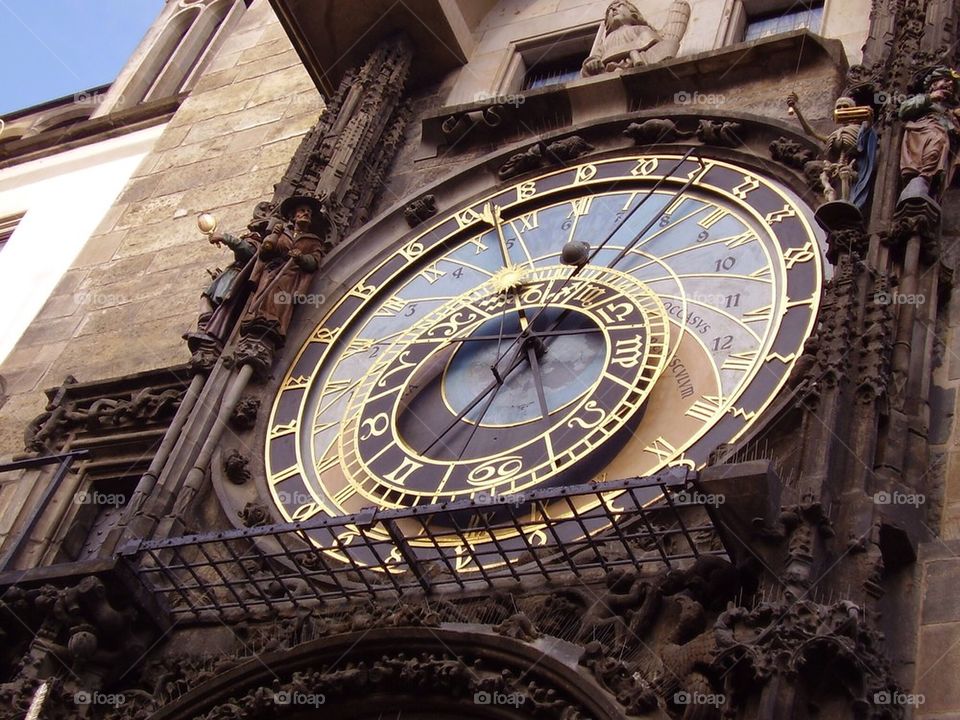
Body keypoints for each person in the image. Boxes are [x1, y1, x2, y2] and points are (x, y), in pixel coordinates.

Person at [239, 194, 331, 347]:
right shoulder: (282, 233)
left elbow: (314, 262)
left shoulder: (314, 241)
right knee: (266, 294)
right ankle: (257, 318)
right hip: (271, 272)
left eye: (309, 212)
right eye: (302, 211)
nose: (306, 214)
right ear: (293, 216)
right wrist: (274, 234)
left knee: (281, 301)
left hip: (291, 277)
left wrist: (300, 257)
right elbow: (265, 252)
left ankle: (273, 324)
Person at [898, 66, 960, 206]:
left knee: (940, 148)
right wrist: (930, 98)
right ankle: (920, 181)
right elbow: (904, 110)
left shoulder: (951, 110)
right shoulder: (925, 99)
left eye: (952, 84)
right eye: (946, 81)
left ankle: (928, 187)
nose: (950, 85)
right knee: (936, 143)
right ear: (933, 84)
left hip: (943, 137)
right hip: (924, 131)